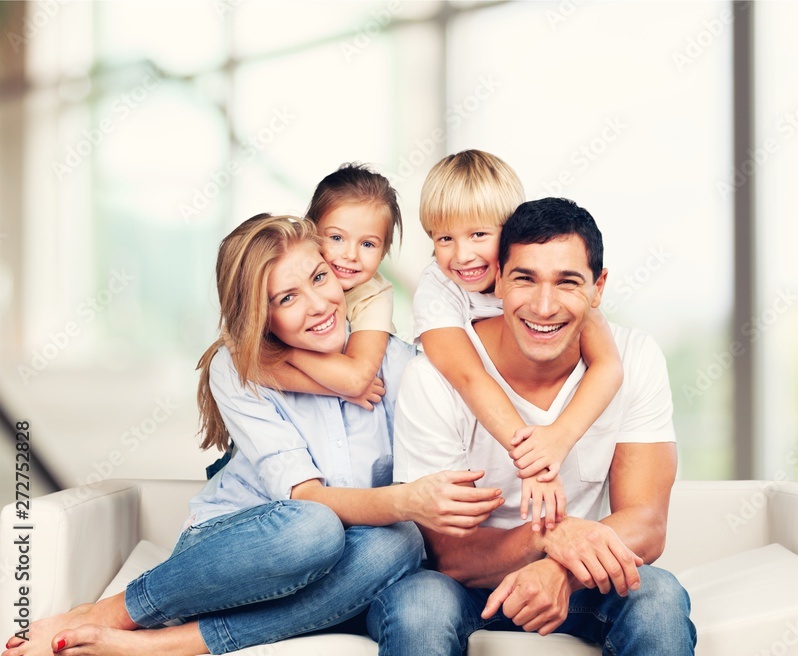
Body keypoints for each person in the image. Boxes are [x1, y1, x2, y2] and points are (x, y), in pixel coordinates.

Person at [3, 214, 503, 656]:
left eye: (320, 277)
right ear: (260, 316)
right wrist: (406, 501)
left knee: (409, 563)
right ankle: (111, 614)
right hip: (249, 553)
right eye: (287, 298)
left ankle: (172, 646)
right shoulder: (239, 368)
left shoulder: (400, 364)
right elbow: (310, 499)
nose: (318, 305)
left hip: (363, 567)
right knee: (315, 526)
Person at [368, 198, 697, 655]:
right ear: (498, 278)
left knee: (657, 595)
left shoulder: (635, 358)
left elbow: (647, 522)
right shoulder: (432, 376)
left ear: (598, 288)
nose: (544, 306)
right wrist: (547, 535)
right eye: (525, 278)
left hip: (578, 577)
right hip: (464, 586)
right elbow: (449, 555)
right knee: (419, 605)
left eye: (568, 282)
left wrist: (559, 568)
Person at [413, 150, 624, 531]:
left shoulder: (550, 284)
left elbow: (608, 366)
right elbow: (468, 377)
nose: (462, 255)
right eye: (444, 238)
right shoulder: (438, 289)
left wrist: (558, 439)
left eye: (478, 234)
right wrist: (533, 463)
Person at [243, 163, 403, 410]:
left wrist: (282, 351)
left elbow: (356, 380)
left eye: (368, 244)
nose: (351, 255)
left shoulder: (375, 296)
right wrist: (337, 391)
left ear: (383, 253)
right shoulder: (281, 274)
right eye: (337, 238)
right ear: (311, 232)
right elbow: (249, 365)